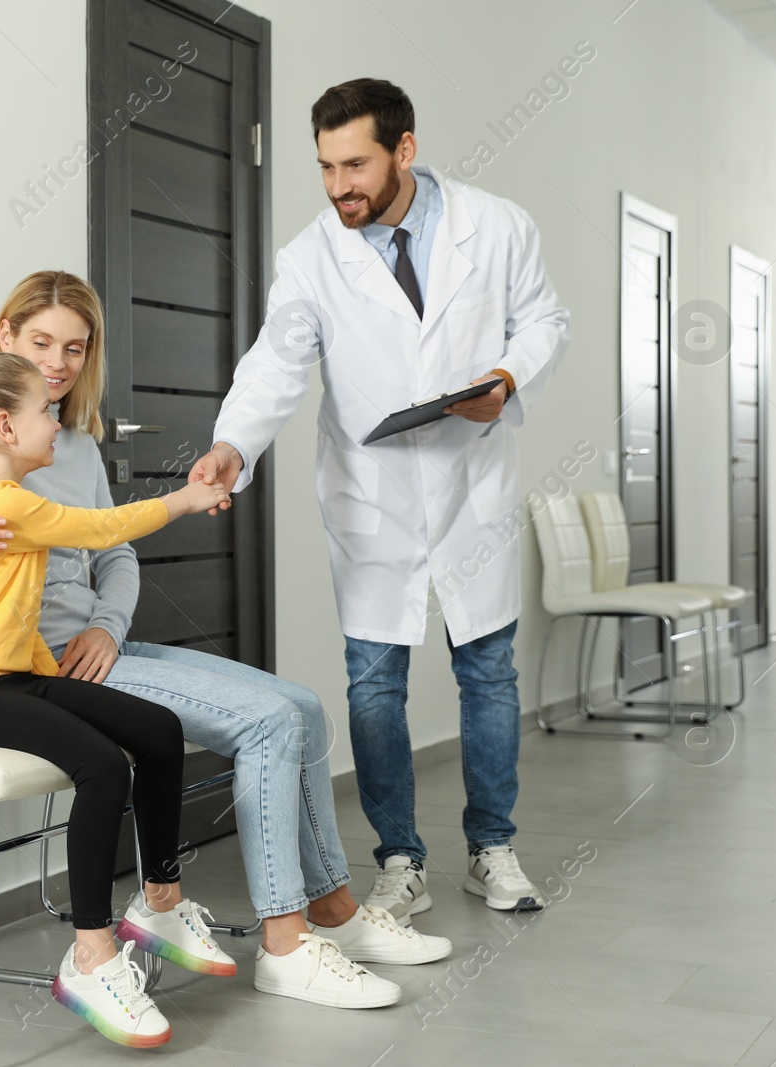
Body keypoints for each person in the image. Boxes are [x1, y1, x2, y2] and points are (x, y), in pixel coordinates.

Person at [0, 271, 451, 1011]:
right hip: (46, 671)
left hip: (99, 647)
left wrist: (109, 625)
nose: (60, 362)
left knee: (302, 707)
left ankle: (335, 910)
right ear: (6, 336)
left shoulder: (65, 442)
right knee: (265, 723)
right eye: (41, 342)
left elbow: (115, 554)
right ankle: (286, 944)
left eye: (76, 347)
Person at [191, 79, 570, 922]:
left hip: (472, 477)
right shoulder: (310, 256)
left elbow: (544, 320)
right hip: (373, 494)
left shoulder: (498, 226)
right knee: (372, 683)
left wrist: (506, 380)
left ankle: (492, 848)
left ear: (404, 149)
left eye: (354, 164)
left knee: (488, 672)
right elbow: (277, 361)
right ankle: (400, 859)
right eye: (324, 167)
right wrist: (232, 444)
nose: (337, 187)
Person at [0, 351, 236, 1049]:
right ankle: (91, 953)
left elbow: (8, 614)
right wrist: (185, 498)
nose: (57, 421)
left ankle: (160, 898)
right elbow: (102, 530)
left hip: (8, 676)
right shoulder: (4, 498)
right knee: (103, 766)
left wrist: (53, 678)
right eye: (45, 410)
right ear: (5, 426)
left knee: (157, 728)